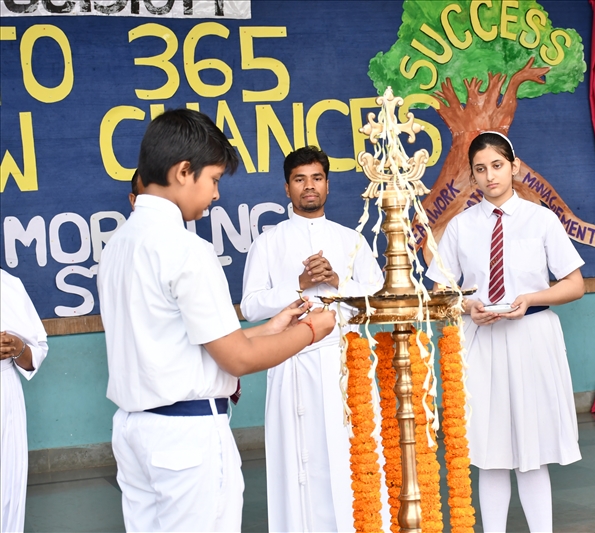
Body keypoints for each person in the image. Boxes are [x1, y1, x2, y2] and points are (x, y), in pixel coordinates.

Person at [97, 109, 336, 532]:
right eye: (214, 179)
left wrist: (273, 326)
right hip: (187, 437)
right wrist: (311, 330)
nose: (216, 194)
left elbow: (188, 339)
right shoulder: (186, 249)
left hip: (135, 431)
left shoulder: (119, 244)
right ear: (183, 172)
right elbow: (237, 358)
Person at [426, 132, 585, 532]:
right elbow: (440, 291)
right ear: (472, 176)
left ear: (513, 166)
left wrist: (532, 298)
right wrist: (467, 306)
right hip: (482, 340)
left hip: (532, 337)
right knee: (489, 451)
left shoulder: (541, 219)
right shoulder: (460, 226)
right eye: (480, 169)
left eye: (497, 165)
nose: (490, 176)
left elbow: (575, 284)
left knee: (532, 451)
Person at [240, 146, 385, 532]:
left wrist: (337, 281)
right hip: (291, 363)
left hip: (345, 364)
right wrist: (299, 284)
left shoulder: (350, 239)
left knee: (350, 456)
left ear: (328, 184)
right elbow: (251, 306)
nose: (309, 186)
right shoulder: (268, 242)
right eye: (300, 179)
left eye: (317, 178)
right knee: (300, 463)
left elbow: (378, 298)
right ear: (286, 187)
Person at [0, 270, 48, 533]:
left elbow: (34, 355)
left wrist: (17, 347)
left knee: (6, 484)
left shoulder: (8, 284)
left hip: (4, 396)